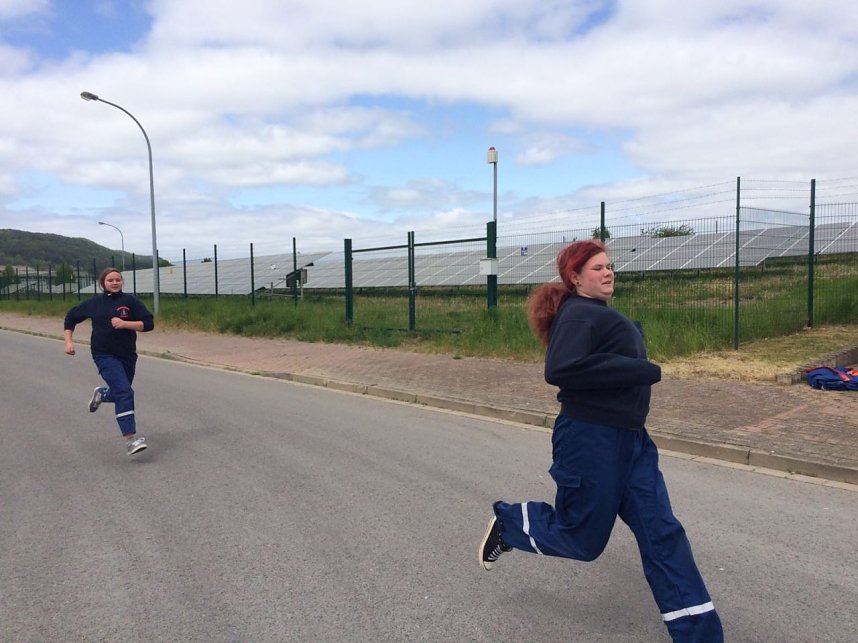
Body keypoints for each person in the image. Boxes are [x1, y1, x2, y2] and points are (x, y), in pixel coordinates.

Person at [478, 240, 723, 642]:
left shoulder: (597, 314)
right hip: (591, 441)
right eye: (597, 268)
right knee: (582, 539)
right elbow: (561, 368)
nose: (608, 273)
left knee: (663, 535)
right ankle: (511, 524)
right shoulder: (577, 315)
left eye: (609, 266)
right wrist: (638, 370)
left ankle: (700, 636)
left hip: (632, 443)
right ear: (574, 277)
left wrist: (636, 369)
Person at [64, 267, 154, 456]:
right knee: (124, 391)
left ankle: (102, 394)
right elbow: (71, 318)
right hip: (103, 354)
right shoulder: (95, 303)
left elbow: (148, 323)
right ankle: (130, 440)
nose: (114, 283)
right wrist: (69, 342)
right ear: (102, 283)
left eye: (118, 280)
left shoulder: (130, 301)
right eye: (110, 280)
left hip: (128, 355)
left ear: (122, 282)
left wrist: (125, 324)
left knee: (121, 392)